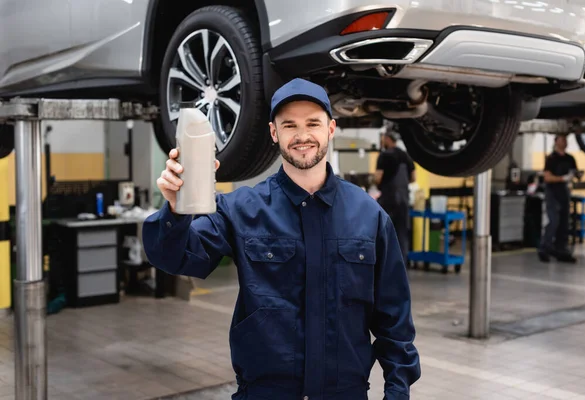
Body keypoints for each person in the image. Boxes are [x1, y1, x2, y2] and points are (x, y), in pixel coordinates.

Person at [142, 78, 420, 400]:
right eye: (290, 125)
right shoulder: (240, 209)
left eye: (312, 123)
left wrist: (397, 393)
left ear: (331, 129)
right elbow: (173, 257)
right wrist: (175, 211)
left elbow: (395, 321)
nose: (302, 136)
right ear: (274, 133)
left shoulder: (369, 216)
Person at [373, 130, 415, 265]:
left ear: (387, 139)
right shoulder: (406, 155)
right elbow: (413, 178)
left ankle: (384, 264)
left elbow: (378, 178)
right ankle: (401, 264)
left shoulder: (384, 155)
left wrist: (374, 182)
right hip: (403, 200)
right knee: (402, 233)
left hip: (388, 199)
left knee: (383, 232)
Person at [538, 134, 581, 263]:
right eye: (562, 140)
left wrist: (577, 175)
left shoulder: (570, 158)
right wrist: (563, 178)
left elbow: (575, 173)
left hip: (564, 192)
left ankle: (561, 250)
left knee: (564, 222)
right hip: (552, 192)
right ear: (556, 141)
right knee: (553, 221)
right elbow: (547, 177)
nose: (565, 142)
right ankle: (545, 249)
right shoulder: (551, 159)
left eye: (566, 140)